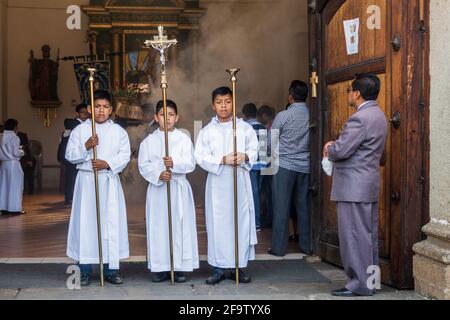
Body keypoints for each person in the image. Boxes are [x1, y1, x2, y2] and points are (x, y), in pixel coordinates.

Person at [323, 73, 388, 297]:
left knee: (353, 237)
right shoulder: (379, 115)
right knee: (367, 237)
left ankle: (359, 284)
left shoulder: (359, 118)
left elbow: (342, 150)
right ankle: (371, 282)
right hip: (367, 184)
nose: (349, 94)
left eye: (350, 90)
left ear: (357, 93)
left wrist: (330, 147)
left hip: (353, 188)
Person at [65, 89, 131, 286]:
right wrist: (86, 146)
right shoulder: (80, 131)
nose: (101, 111)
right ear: (89, 109)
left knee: (111, 224)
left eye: (105, 107)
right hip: (86, 183)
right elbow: (69, 155)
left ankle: (110, 270)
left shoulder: (118, 131)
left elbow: (125, 155)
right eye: (96, 106)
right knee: (86, 225)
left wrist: (107, 163)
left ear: (111, 109)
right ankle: (84, 270)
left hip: (108, 181)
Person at [195, 87, 259, 285]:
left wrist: (245, 156)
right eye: (219, 102)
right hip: (218, 183)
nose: (224, 106)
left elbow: (255, 149)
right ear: (213, 106)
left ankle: (239, 267)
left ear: (233, 103)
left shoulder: (244, 128)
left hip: (239, 182)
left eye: (228, 101)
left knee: (240, 222)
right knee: (218, 225)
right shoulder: (206, 131)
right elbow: (200, 156)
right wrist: (221, 160)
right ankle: (219, 268)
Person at [138, 99, 199, 283]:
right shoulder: (148, 142)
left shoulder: (184, 139)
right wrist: (158, 174)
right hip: (158, 191)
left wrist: (175, 165)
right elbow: (143, 165)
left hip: (178, 188)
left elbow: (191, 163)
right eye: (163, 115)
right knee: (159, 227)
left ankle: (179, 267)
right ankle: (160, 267)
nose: (168, 118)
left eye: (171, 114)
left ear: (177, 117)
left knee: (180, 227)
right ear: (156, 117)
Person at [269, 80, 311, 257]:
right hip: (305, 165)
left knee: (281, 206)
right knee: (304, 207)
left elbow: (270, 142)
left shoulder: (283, 116)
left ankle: (279, 248)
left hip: (284, 165)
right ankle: (307, 246)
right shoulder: (311, 114)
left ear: (290, 95)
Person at [242, 103, 266, 232]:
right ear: (256, 113)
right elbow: (265, 147)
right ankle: (258, 221)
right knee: (258, 193)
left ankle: (255, 222)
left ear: (244, 114)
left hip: (250, 165)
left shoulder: (245, 128)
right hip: (261, 165)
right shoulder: (262, 127)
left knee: (251, 194)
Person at [0, 119, 25, 215]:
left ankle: (3, 208)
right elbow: (15, 153)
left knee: (4, 186)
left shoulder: (1, 136)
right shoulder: (15, 138)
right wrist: (22, 152)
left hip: (3, 164)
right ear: (14, 127)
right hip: (13, 164)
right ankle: (14, 208)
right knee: (15, 186)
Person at [256, 105, 276, 228]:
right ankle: (269, 216)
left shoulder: (270, 127)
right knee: (268, 191)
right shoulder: (269, 126)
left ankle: (269, 218)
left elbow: (269, 145)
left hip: (270, 162)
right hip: (271, 162)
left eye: (260, 116)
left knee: (268, 192)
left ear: (264, 115)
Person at [57, 118, 80, 206]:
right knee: (73, 179)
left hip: (66, 159)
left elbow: (60, 147)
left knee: (69, 179)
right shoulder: (73, 135)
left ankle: (68, 197)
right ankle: (71, 197)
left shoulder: (64, 133)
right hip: (72, 159)